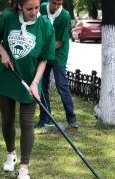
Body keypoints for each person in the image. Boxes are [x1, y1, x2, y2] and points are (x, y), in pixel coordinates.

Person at [0, 0, 55, 179]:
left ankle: (24, 168)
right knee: (7, 120)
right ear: (20, 6)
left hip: (30, 82)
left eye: (36, 7)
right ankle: (11, 154)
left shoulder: (45, 25)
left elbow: (44, 58)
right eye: (29, 8)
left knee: (27, 123)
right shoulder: (8, 18)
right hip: (8, 78)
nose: (34, 12)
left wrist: (35, 83)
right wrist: (3, 53)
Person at [36, 0, 78, 129]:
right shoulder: (42, 8)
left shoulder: (64, 16)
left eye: (59, 4)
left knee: (61, 85)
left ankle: (71, 118)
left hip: (59, 54)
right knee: (42, 86)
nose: (56, 6)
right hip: (45, 52)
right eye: (54, 3)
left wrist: (42, 49)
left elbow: (59, 42)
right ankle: (44, 118)